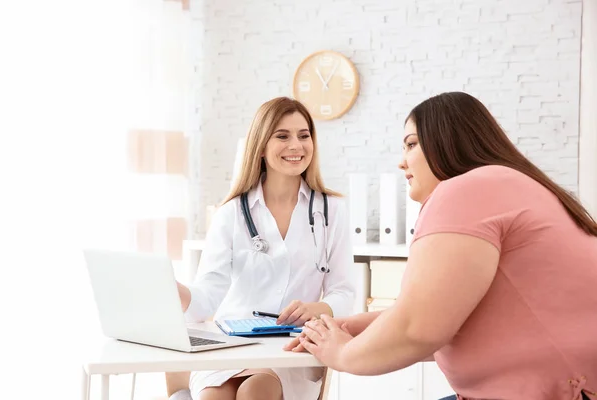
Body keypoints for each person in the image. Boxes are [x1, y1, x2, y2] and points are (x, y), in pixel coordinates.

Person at [285, 91, 597, 400]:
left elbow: (417, 330)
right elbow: (433, 314)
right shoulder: (516, 185)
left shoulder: (468, 190)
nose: (401, 162)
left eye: (411, 144)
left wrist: (341, 353)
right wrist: (351, 327)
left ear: (448, 142)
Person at [168, 96, 355, 400]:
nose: (296, 145)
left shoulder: (331, 211)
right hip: (232, 346)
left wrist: (317, 309)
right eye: (282, 136)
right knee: (212, 397)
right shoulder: (232, 213)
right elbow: (208, 294)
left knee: (258, 390)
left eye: (304, 135)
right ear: (261, 146)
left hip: (292, 349)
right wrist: (177, 292)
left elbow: (344, 291)